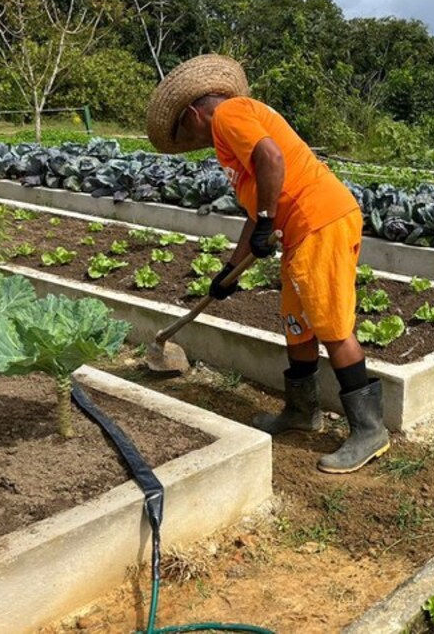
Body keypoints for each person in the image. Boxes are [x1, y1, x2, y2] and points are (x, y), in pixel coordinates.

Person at [146, 54, 389, 474]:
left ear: (192, 114)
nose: (190, 139)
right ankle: (301, 412)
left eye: (184, 131)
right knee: (297, 322)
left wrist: (266, 222)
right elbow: (256, 206)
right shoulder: (232, 133)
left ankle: (370, 431)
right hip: (300, 231)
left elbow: (272, 158)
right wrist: (229, 270)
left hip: (321, 221)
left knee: (331, 325)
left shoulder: (229, 114)